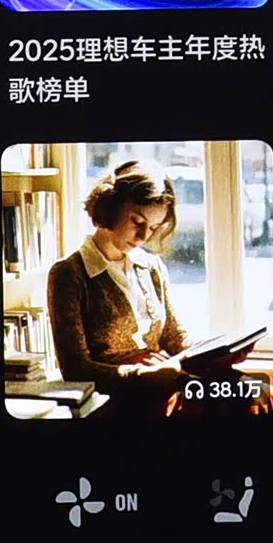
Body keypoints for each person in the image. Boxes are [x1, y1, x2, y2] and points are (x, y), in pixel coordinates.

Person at [46, 159, 190, 414]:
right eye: (137, 222)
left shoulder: (151, 266)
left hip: (163, 388)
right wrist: (145, 375)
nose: (144, 237)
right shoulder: (69, 275)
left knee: (246, 392)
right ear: (111, 207)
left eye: (153, 228)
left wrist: (213, 353)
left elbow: (174, 336)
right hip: (115, 402)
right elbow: (75, 369)